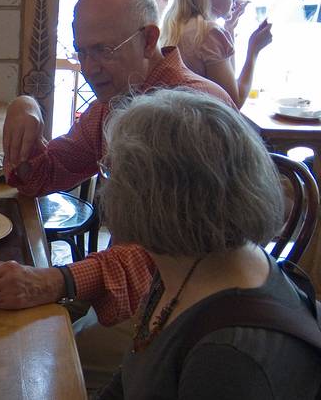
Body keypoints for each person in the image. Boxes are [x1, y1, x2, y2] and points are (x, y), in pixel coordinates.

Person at [0, 0, 235, 389]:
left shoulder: (196, 112)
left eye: (103, 50)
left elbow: (173, 258)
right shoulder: (115, 104)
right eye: (81, 51)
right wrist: (26, 107)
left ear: (149, 39)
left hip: (190, 309)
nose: (89, 67)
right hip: (134, 291)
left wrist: (61, 280)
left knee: (39, 360)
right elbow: (44, 175)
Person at [95, 89, 321, 399]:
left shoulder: (230, 360)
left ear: (148, 201)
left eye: (111, 173)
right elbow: (132, 376)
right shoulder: (183, 259)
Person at [160, 0, 273, 108]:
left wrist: (229, 30)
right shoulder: (208, 32)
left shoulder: (177, 26)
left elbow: (227, 84)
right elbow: (233, 102)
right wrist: (253, 51)